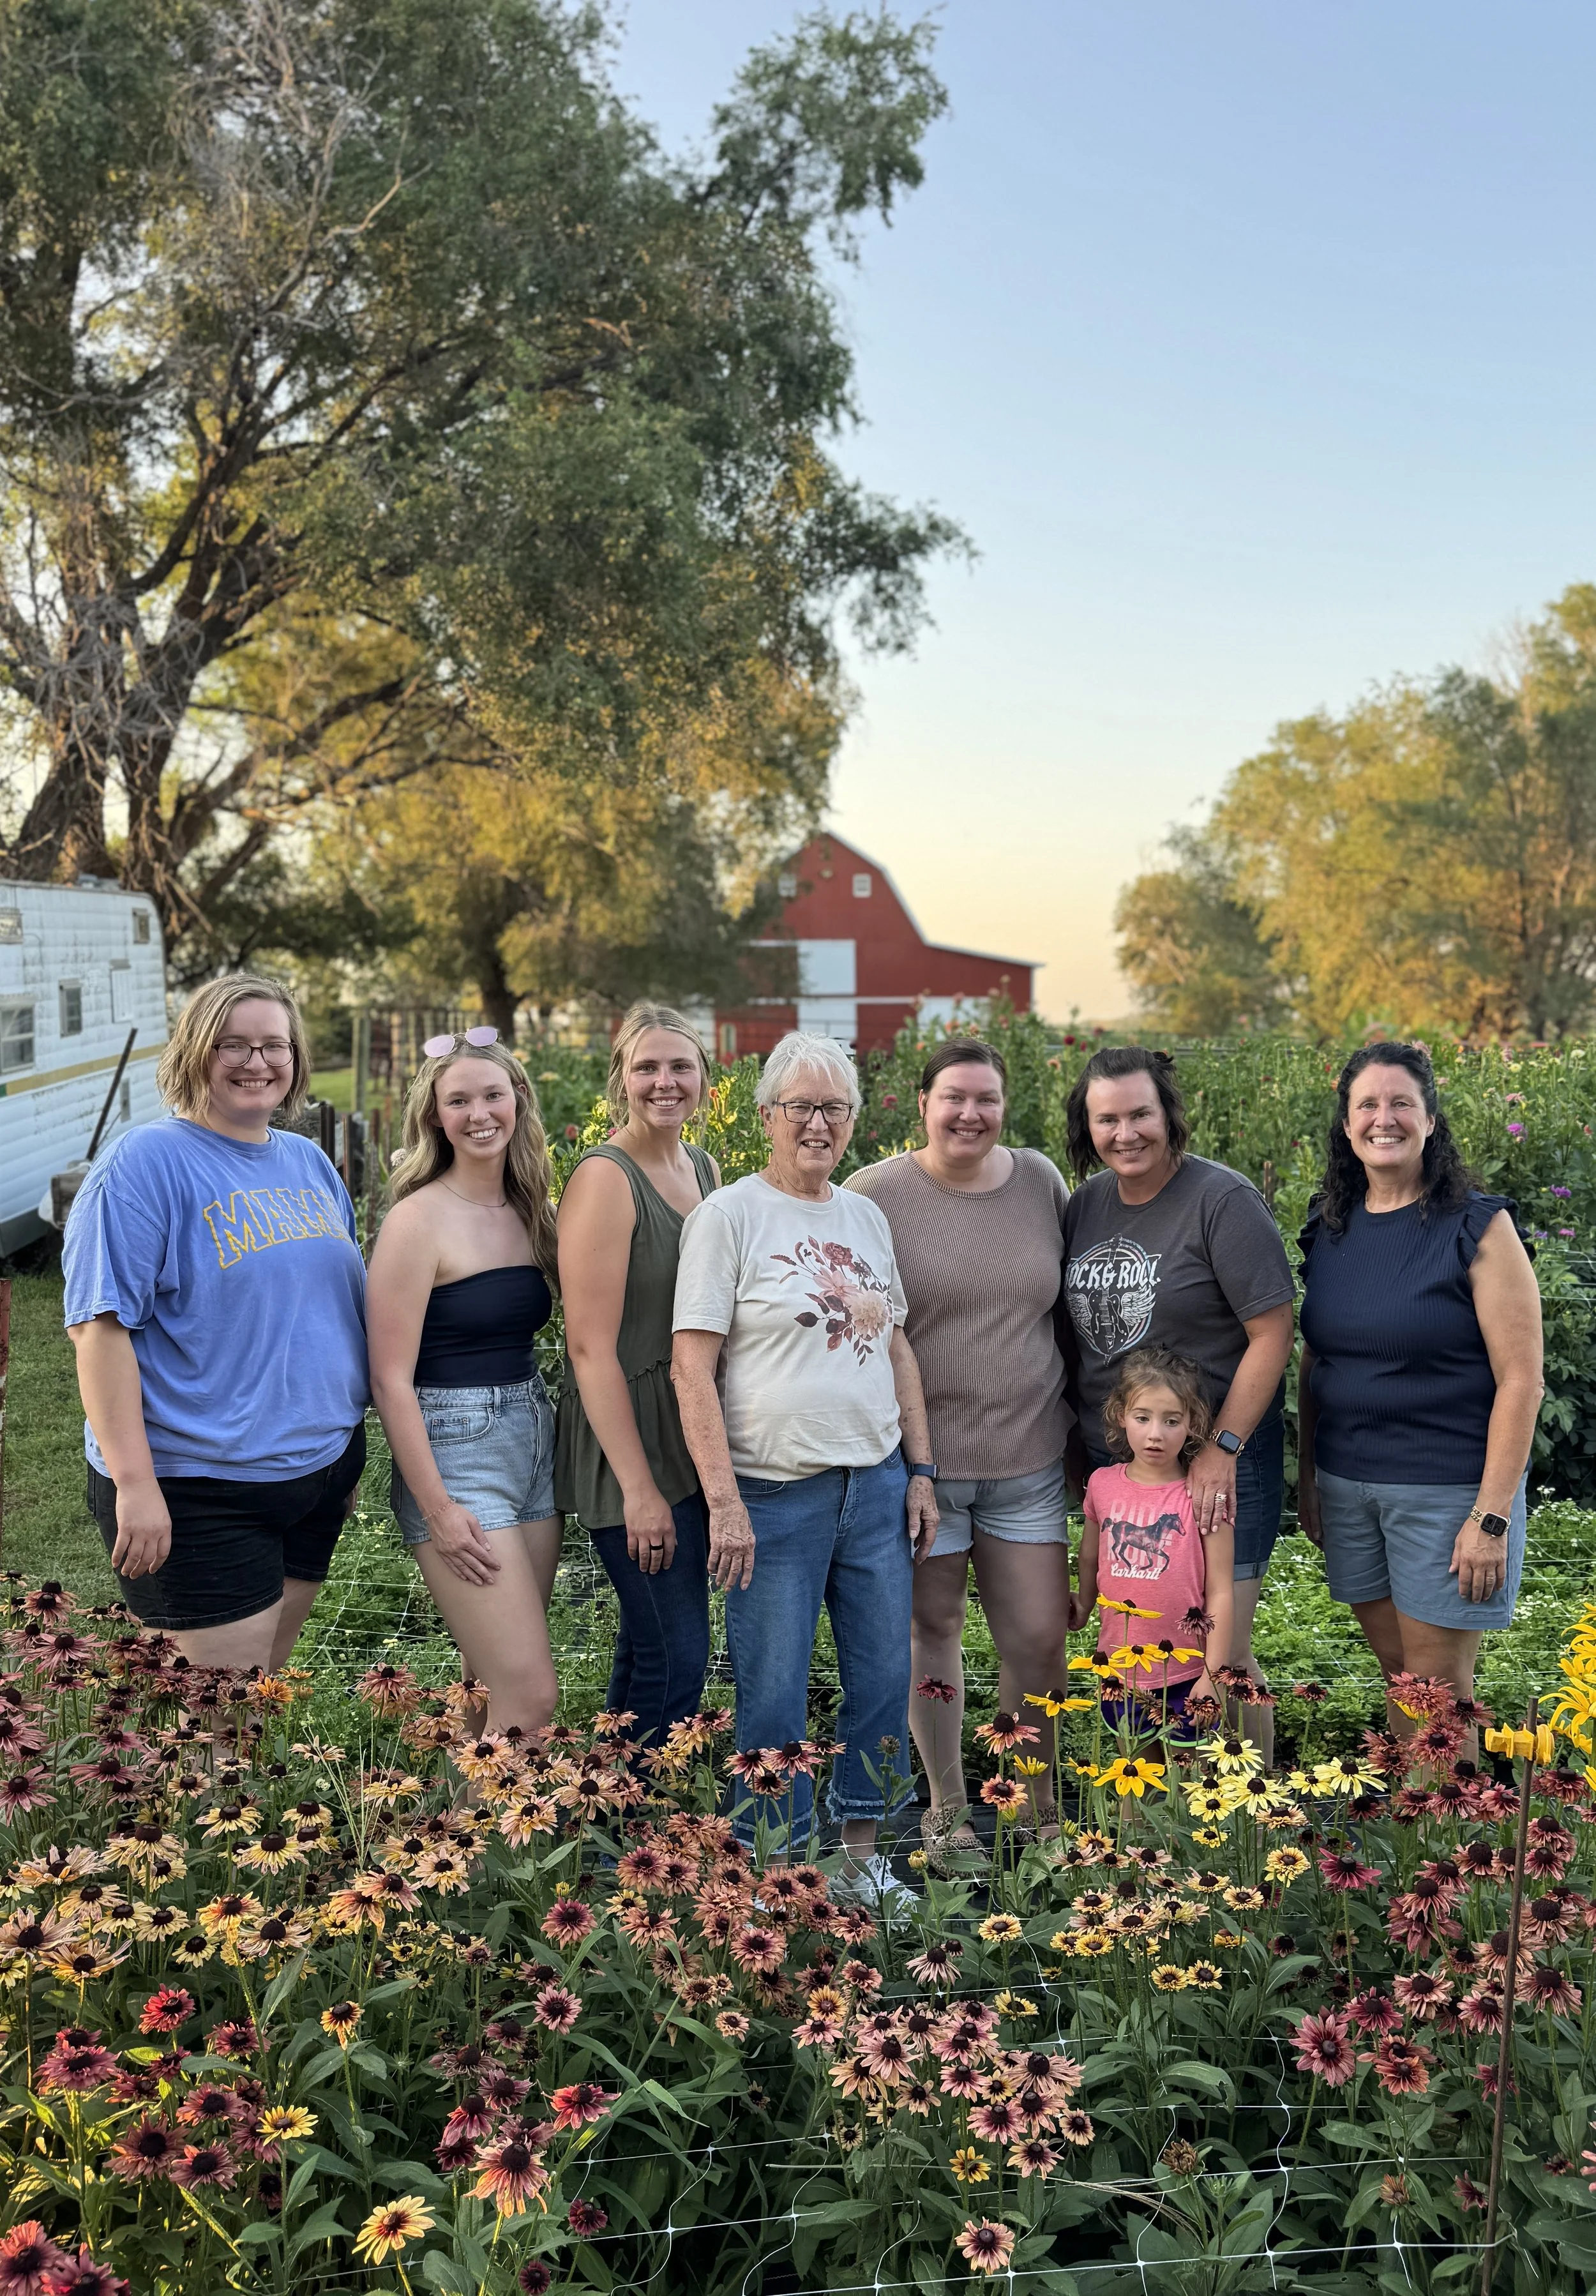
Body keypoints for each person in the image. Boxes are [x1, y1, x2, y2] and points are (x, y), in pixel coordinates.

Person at [671, 1030, 940, 1905]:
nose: (818, 1124)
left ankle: (861, 1855)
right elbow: (691, 1366)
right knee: (775, 1694)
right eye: (801, 1107)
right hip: (774, 1495)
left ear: (853, 1120)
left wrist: (921, 1469)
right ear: (765, 1117)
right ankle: (776, 1869)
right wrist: (723, 1502)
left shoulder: (863, 1215)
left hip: (875, 1488)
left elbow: (896, 1348)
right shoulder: (731, 1216)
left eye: (835, 1107)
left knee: (880, 1677)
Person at [64, 972, 368, 1667]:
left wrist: (339, 1452)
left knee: (257, 1697)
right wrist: (137, 1486)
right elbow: (99, 1331)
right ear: (195, 1051)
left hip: (314, 1475)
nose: (256, 1062)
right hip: (196, 1488)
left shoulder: (308, 1162)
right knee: (213, 1734)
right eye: (234, 1044)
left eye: (274, 1045)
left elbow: (330, 1310)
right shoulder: (144, 1164)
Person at [845, 1036, 1073, 1870]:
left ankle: (1033, 1806)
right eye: (955, 1097)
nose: (971, 1113)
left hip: (1029, 1457)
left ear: (1004, 1106)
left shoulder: (1042, 1182)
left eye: (986, 1098)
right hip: (925, 1467)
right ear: (923, 1104)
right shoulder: (874, 1194)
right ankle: (946, 1809)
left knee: (1039, 1639)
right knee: (931, 1630)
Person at [1297, 1041, 1542, 1743]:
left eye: (1401, 1102)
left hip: (1447, 1492)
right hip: (1349, 1485)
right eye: (1366, 1105)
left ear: (1430, 1119)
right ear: (1346, 1127)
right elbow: (1316, 1356)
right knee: (1402, 1680)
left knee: (1437, 1692)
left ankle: (1452, 1844)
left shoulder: (1478, 1227)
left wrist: (1490, 1517)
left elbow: (1522, 1379)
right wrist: (1310, 1478)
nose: (1384, 1118)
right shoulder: (1329, 1225)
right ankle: (1414, 1837)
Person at [1062, 1045, 1294, 1759]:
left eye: (1140, 1113)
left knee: (1218, 1655)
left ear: (1169, 1113)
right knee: (1142, 1660)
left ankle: (1251, 1813)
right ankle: (1154, 1828)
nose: (1125, 1133)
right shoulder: (1085, 1204)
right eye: (1107, 1119)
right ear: (1087, 1127)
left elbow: (1272, 1330)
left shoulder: (1219, 1201)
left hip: (1213, 1462)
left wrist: (1222, 1448)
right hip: (1125, 1467)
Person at [366, 1031, 562, 1735]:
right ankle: (507, 1843)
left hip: (534, 1441)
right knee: (532, 1697)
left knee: (489, 1690)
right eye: (458, 1100)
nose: (478, 1113)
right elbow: (388, 1379)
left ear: (517, 1102)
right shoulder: (416, 1220)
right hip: (456, 1449)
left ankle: (458, 1847)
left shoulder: (532, 1209)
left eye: (491, 1094)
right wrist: (439, 1508)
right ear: (435, 1116)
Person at [556, 1002, 719, 1744]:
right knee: (679, 1651)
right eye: (647, 1066)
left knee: (649, 1641)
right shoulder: (605, 1178)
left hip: (685, 1426)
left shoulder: (702, 1166)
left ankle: (611, 1812)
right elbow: (589, 1348)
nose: (664, 1081)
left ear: (705, 1080)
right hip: (628, 1439)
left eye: (680, 1065)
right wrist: (640, 1490)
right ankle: (648, 1831)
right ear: (621, 1077)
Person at [1078, 1347, 1233, 1733]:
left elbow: (1221, 1591)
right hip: (1120, 1666)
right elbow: (1089, 1557)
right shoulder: (1102, 1484)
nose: (1155, 1434)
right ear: (1121, 1416)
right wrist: (1082, 1604)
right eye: (1142, 1417)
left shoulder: (1204, 1495)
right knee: (1132, 1770)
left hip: (1188, 1668)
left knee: (1191, 1779)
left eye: (1172, 1421)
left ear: (1193, 1422)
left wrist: (1213, 1676)